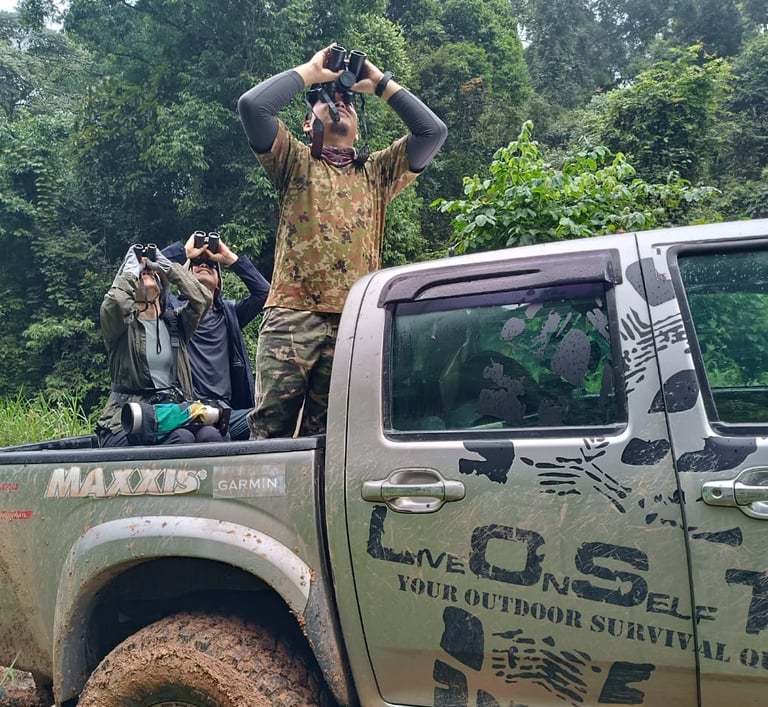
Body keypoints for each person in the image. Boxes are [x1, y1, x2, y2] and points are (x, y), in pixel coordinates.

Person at [237, 44, 447, 439]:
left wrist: (380, 82)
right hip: (292, 316)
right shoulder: (294, 161)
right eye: (327, 101)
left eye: (347, 100)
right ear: (305, 125)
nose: (340, 103)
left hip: (355, 322)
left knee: (335, 440)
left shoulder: (379, 172)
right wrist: (313, 73)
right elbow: (253, 107)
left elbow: (432, 132)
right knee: (270, 433)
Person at [95, 244, 223, 446]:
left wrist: (166, 266)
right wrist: (130, 269)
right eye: (140, 274)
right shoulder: (121, 326)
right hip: (126, 420)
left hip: (170, 414)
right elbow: (116, 302)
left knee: (211, 435)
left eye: (152, 274)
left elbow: (203, 298)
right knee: (182, 438)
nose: (146, 273)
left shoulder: (175, 324)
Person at [163, 232, 270, 441]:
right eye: (196, 264)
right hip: (189, 409)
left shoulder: (230, 314)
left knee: (269, 420)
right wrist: (184, 253)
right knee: (217, 436)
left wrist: (229, 258)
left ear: (219, 283)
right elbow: (148, 270)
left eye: (211, 266)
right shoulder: (171, 312)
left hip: (225, 410)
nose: (204, 265)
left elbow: (264, 293)